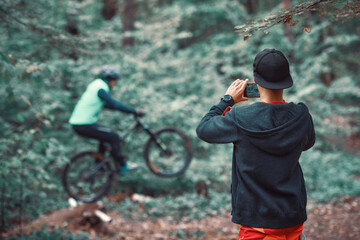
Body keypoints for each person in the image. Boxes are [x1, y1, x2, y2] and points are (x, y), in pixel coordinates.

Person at [196, 49, 315, 240]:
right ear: (287, 78)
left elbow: (203, 129)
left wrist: (227, 101)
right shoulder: (301, 116)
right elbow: (307, 143)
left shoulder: (240, 118)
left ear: (255, 80)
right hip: (293, 219)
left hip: (257, 226)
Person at [69, 66, 144, 174]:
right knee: (114, 137)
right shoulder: (101, 88)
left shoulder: (95, 85)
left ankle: (98, 164)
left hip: (80, 124)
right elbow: (114, 104)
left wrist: (129, 111)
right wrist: (133, 111)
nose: (114, 84)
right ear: (110, 79)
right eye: (114, 81)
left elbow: (109, 105)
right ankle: (123, 166)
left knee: (105, 138)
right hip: (83, 125)